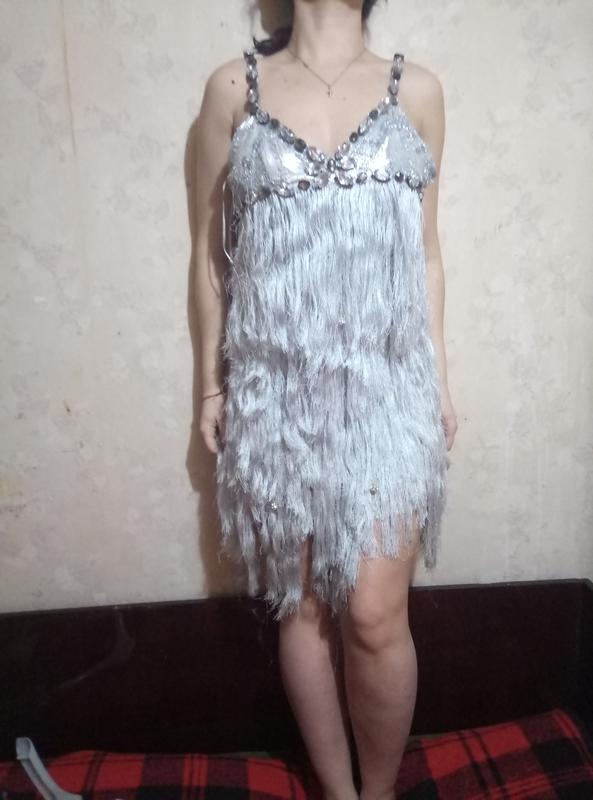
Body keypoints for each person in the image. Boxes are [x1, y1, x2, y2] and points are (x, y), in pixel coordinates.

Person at [194, 1, 457, 798]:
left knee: (373, 615)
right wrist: (211, 383)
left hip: (388, 388)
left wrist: (440, 381)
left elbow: (427, 254)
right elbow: (209, 259)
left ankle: (378, 794)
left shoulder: (417, 90)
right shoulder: (232, 89)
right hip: (277, 397)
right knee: (303, 608)